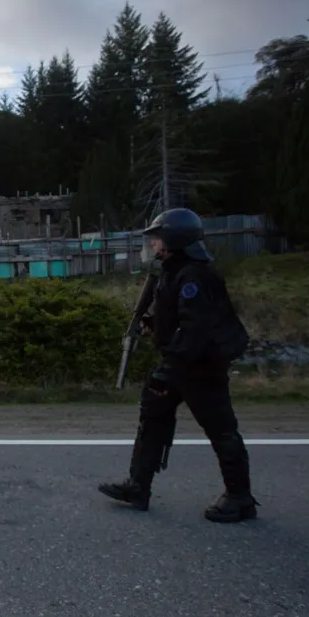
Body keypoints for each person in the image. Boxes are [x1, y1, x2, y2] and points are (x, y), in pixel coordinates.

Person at [98, 208, 259, 523]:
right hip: (180, 363)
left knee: (221, 430)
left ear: (174, 239)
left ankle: (240, 497)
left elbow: (196, 327)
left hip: (201, 367)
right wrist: (153, 323)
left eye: (157, 239)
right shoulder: (174, 271)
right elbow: (175, 316)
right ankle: (138, 486)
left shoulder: (194, 276)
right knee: (152, 418)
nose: (154, 246)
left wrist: (171, 361)